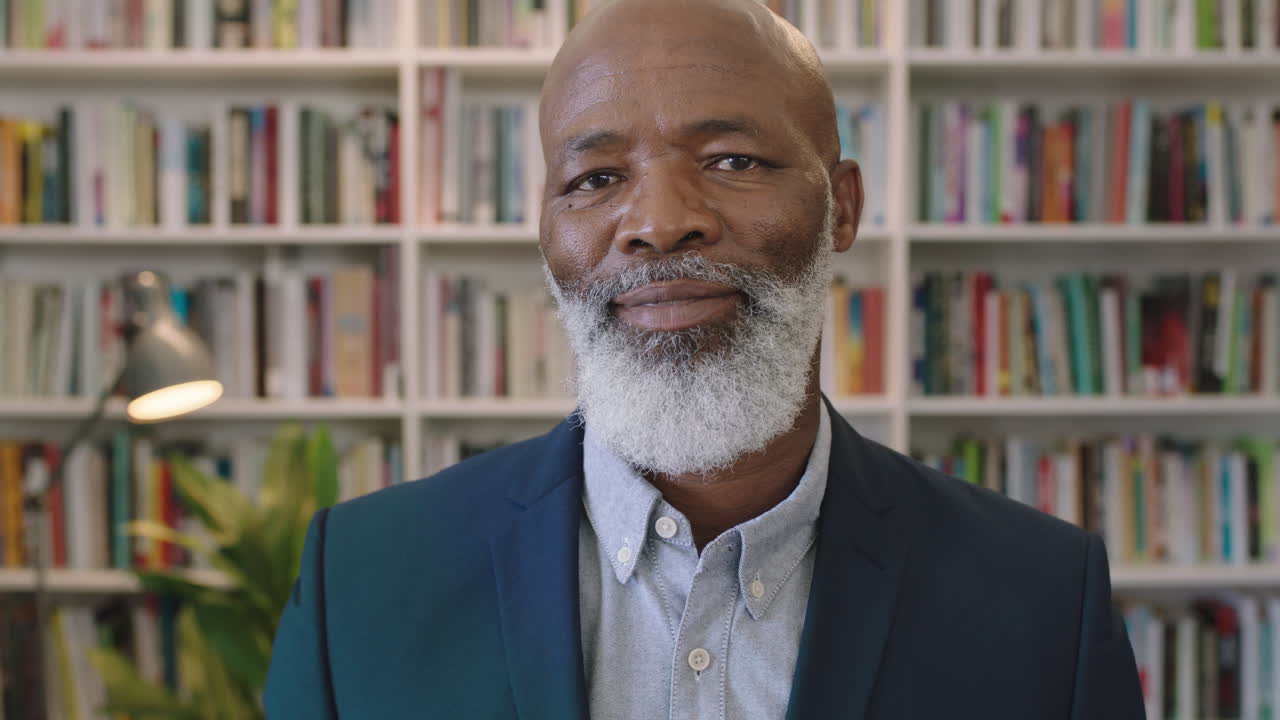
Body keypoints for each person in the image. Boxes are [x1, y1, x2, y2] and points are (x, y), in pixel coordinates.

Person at [264, 0, 1146, 717]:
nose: (657, 222)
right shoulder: (362, 582)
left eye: (731, 159)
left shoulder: (1039, 599)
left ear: (841, 209)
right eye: (595, 179)